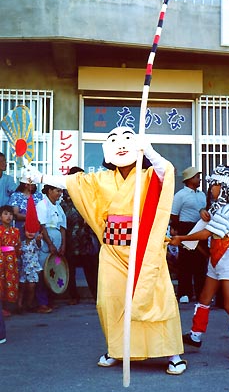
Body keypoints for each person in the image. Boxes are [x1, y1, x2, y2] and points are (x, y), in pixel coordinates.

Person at [22, 126, 186, 375]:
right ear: (107, 152)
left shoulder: (149, 175)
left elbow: (166, 172)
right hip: (111, 249)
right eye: (114, 141)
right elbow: (72, 182)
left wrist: (149, 149)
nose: (121, 145)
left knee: (156, 297)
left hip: (143, 251)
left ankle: (172, 353)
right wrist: (40, 176)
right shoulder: (101, 179)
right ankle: (117, 349)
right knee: (111, 300)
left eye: (127, 140)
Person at [169, 165, 229, 362]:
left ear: (224, 187)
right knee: (204, 298)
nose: (210, 189)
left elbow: (207, 233)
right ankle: (196, 335)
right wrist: (205, 210)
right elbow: (208, 219)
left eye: (213, 185)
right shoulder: (221, 207)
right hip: (217, 258)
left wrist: (182, 238)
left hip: (228, 260)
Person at [61, 166, 100, 304]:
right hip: (71, 237)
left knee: (91, 269)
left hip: (86, 237)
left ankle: (97, 296)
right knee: (70, 268)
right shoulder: (65, 193)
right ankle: (73, 296)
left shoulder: (89, 193)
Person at [170, 166, 208, 304]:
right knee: (185, 262)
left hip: (200, 229)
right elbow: (174, 214)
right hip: (185, 228)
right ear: (189, 180)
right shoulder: (180, 195)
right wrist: (178, 229)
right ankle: (184, 293)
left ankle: (200, 293)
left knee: (200, 262)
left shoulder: (202, 194)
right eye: (197, 177)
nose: (199, 179)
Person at [35, 185, 66, 314]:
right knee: (43, 272)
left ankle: (50, 300)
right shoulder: (42, 205)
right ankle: (42, 303)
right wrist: (50, 244)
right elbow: (42, 226)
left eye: (61, 191)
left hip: (58, 241)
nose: (60, 194)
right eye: (57, 191)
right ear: (49, 191)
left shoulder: (59, 207)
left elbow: (63, 227)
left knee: (54, 270)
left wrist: (63, 245)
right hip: (46, 242)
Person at [17, 196, 43, 313]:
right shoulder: (21, 243)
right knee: (22, 287)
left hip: (32, 269)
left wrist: (38, 238)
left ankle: (29, 304)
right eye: (28, 230)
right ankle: (20, 305)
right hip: (23, 268)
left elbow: (38, 244)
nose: (30, 233)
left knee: (31, 287)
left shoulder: (35, 242)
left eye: (33, 231)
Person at [0, 205, 21, 317]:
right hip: (1, 260)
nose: (8, 216)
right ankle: (2, 307)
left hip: (12, 260)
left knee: (11, 281)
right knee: (1, 282)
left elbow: (18, 247)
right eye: (5, 214)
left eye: (10, 214)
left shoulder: (16, 231)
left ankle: (9, 307)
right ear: (0, 217)